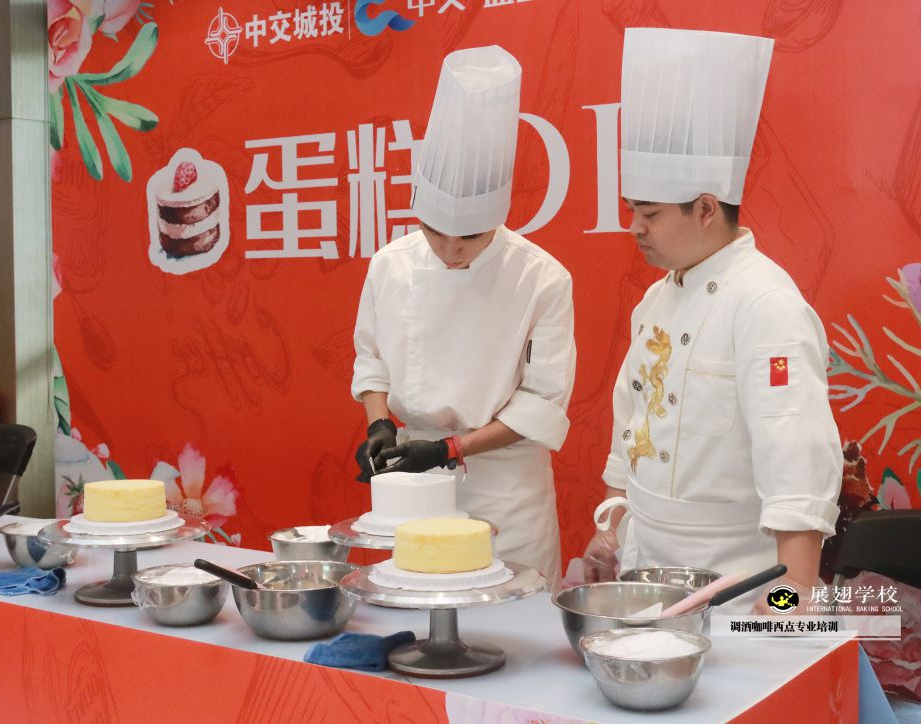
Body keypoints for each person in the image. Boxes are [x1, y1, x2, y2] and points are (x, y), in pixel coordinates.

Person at [579, 28, 841, 612]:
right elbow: (632, 420)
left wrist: (794, 588)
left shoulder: (764, 302)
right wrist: (612, 524)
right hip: (646, 562)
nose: (635, 228)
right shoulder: (655, 301)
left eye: (649, 214)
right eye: (631, 210)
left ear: (704, 208)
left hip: (737, 577)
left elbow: (793, 446)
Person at [350, 45, 576, 585]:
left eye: (470, 237)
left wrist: (451, 448)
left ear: (497, 218)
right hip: (413, 482)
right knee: (419, 602)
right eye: (435, 232)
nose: (451, 249)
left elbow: (542, 401)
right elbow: (371, 358)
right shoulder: (390, 264)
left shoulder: (542, 277)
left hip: (506, 488)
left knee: (511, 614)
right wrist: (380, 423)